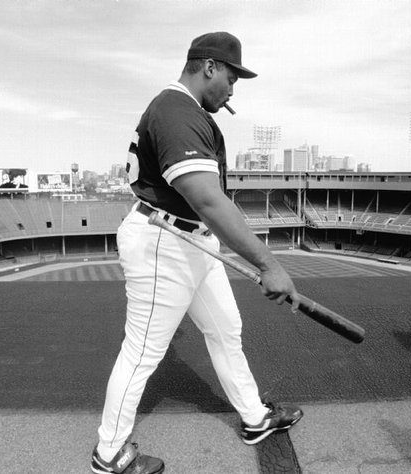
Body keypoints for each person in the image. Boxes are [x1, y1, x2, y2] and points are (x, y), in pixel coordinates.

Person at [91, 32, 303, 474]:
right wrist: (268, 264)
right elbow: (207, 199)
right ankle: (109, 453)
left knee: (226, 329)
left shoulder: (183, 111)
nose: (232, 89)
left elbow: (205, 208)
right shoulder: (175, 111)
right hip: (163, 240)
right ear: (209, 67)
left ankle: (253, 417)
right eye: (231, 77)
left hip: (190, 239)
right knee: (143, 351)